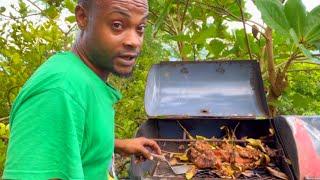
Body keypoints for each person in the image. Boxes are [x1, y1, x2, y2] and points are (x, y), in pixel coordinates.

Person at [3, 0, 161, 179]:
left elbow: (74, 139)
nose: (134, 41)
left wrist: (114, 144)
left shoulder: (85, 76)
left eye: (140, 28)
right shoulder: (59, 91)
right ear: (82, 17)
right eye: (117, 25)